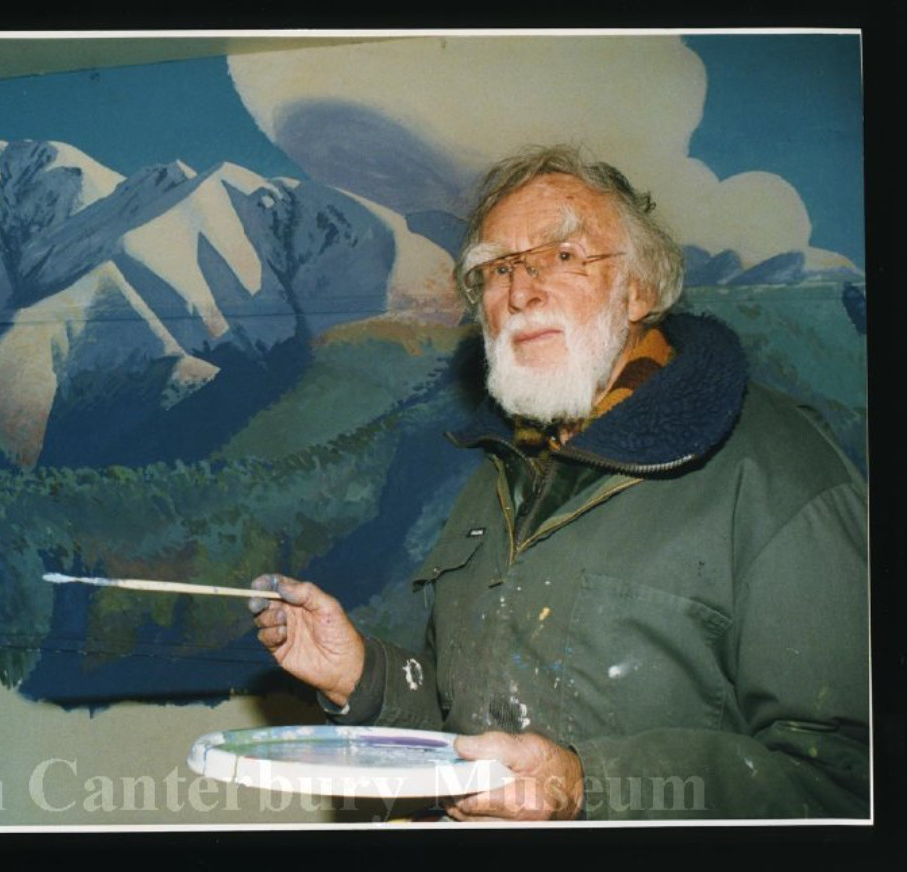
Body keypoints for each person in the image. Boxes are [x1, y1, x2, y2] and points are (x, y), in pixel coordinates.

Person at [248, 144, 869, 821]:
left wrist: (586, 786)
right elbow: (479, 732)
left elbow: (849, 784)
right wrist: (363, 678)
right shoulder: (504, 472)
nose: (520, 291)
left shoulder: (781, 475)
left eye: (563, 256)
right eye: (496, 268)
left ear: (639, 291)